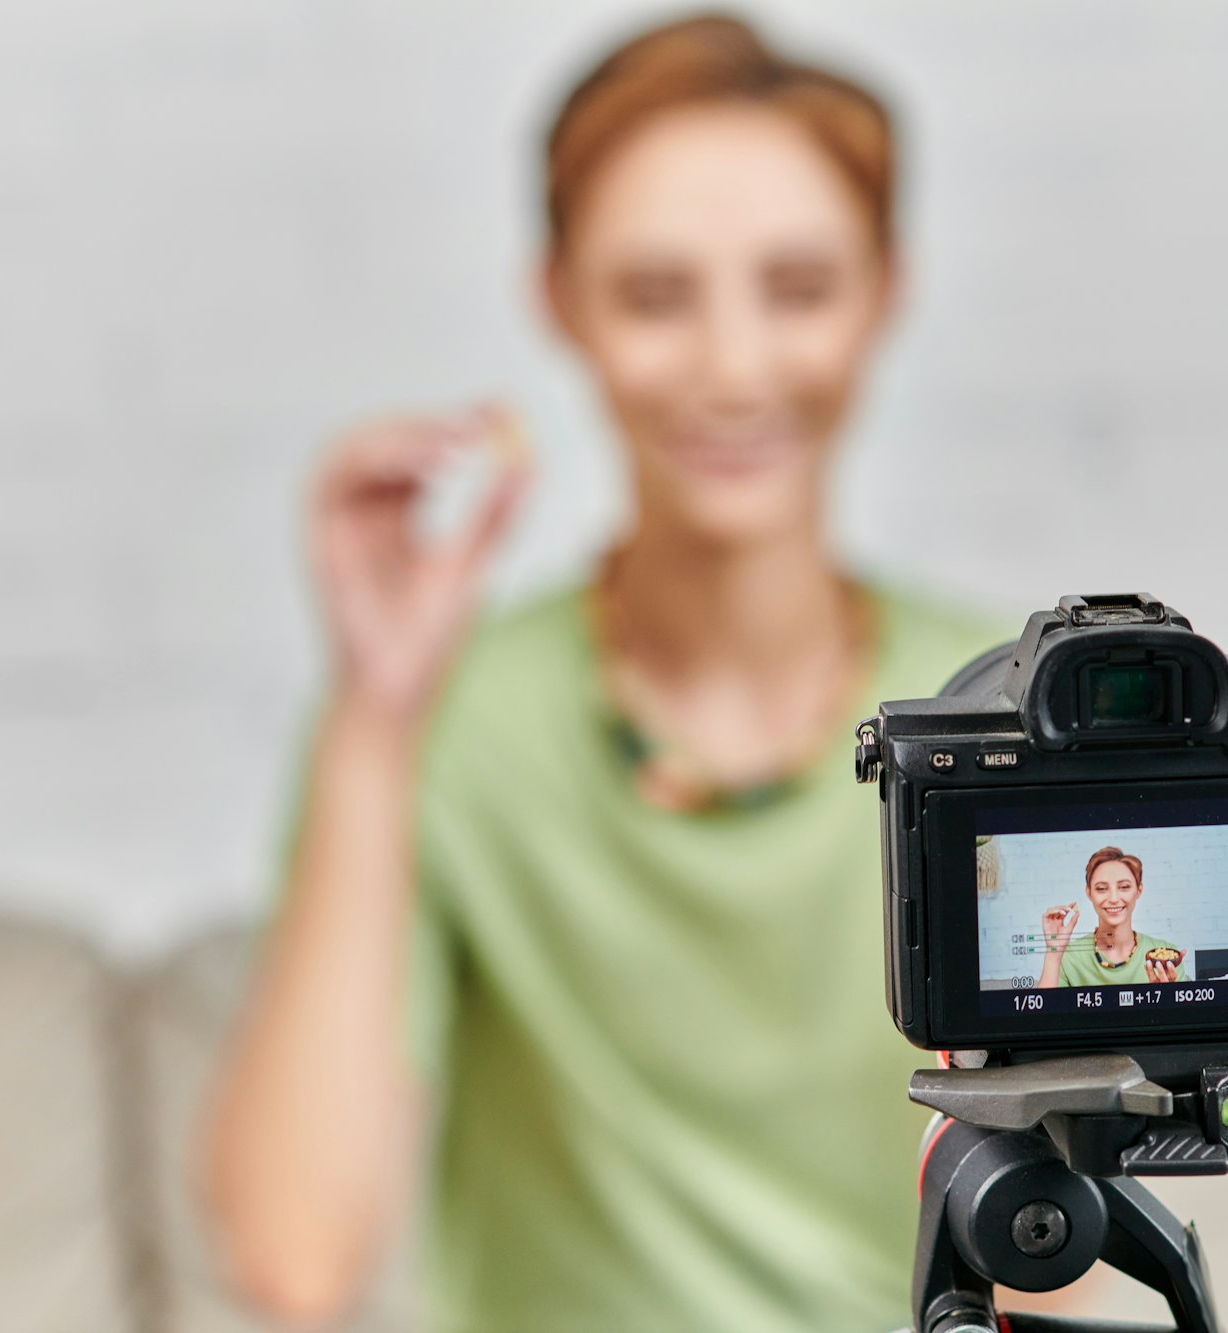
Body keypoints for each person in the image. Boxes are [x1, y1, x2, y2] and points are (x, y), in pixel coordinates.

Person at [199, 15, 1001, 1333]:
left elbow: (1069, 1262)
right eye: (653, 295)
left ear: (885, 292)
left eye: (798, 288)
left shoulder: (998, 708)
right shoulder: (453, 718)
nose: (734, 369)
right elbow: (292, 1258)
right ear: (558, 300)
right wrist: (375, 713)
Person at [1036, 846, 1183, 988]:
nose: (1113, 898)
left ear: (1139, 890)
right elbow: (1042, 1011)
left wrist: (1163, 997)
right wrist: (1053, 954)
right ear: (1089, 892)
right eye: (1101, 889)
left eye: (1124, 887)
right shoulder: (1067, 957)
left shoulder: (1166, 956)